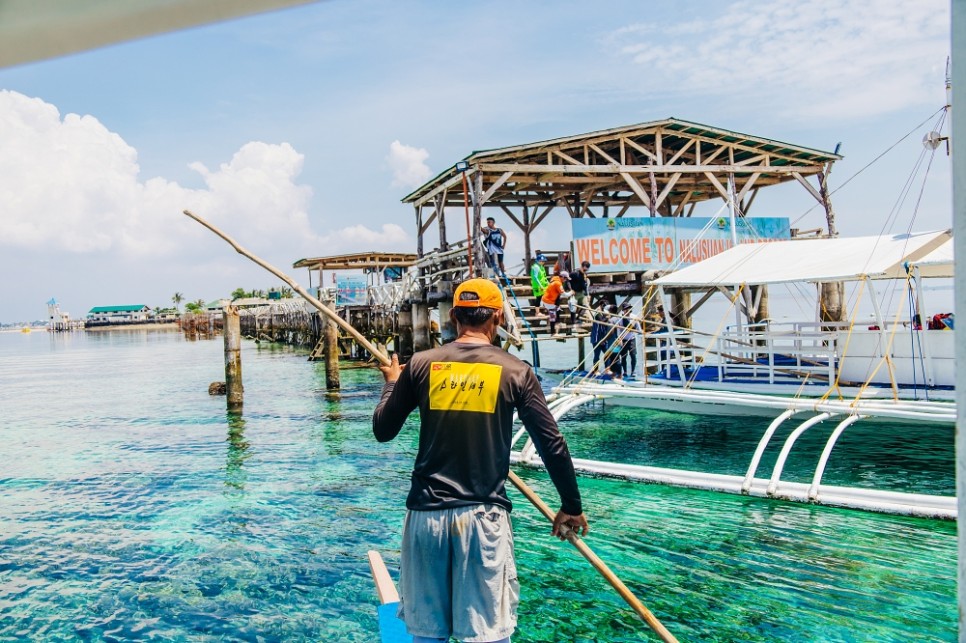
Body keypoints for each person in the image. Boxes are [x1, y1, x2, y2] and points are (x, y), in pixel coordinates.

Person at [372, 279, 589, 643]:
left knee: (427, 637)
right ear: (498, 317)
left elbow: (383, 430)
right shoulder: (516, 371)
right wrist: (571, 506)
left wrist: (393, 383)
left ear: (454, 317)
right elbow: (552, 445)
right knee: (487, 637)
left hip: (426, 517)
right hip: (483, 520)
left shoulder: (422, 365)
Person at [541, 271, 568, 336]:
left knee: (557, 312)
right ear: (562, 277)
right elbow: (564, 294)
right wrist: (571, 293)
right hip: (549, 302)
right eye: (566, 278)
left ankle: (556, 329)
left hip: (548, 301)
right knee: (553, 317)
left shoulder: (554, 280)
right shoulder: (557, 283)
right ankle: (553, 333)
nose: (566, 280)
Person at [618, 302, 641, 378]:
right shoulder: (621, 318)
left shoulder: (634, 317)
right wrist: (620, 339)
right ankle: (624, 371)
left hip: (632, 339)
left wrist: (639, 332)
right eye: (626, 309)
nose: (627, 311)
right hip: (624, 340)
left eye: (629, 309)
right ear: (623, 310)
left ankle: (633, 371)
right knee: (623, 357)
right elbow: (618, 330)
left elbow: (638, 329)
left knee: (633, 356)